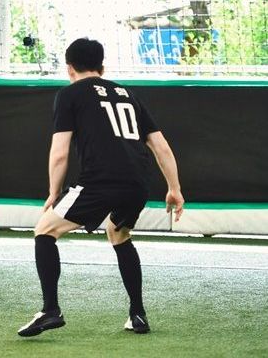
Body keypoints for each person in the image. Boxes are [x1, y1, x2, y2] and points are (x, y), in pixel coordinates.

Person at [18, 37, 184, 339]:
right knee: (119, 234)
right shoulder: (127, 94)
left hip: (99, 181)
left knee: (44, 230)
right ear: (102, 68)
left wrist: (54, 192)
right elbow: (161, 146)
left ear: (69, 68)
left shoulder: (68, 94)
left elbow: (60, 152)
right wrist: (174, 188)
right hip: (138, 182)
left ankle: (50, 309)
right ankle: (137, 314)